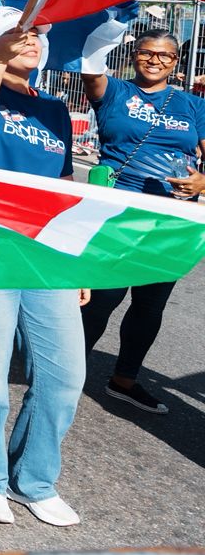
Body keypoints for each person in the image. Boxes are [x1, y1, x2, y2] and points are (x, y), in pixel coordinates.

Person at [0, 7, 85, 527]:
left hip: (45, 257)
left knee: (64, 376)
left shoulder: (54, 108)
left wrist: (74, 262)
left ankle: (34, 480)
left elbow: (65, 187)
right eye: (18, 35)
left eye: (36, 36)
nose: (32, 42)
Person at [79, 28, 205, 415]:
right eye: (147, 52)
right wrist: (110, 24)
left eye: (165, 55)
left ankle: (124, 381)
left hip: (172, 217)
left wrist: (202, 181)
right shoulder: (114, 91)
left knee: (150, 304)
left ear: (176, 62)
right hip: (118, 210)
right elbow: (90, 66)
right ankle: (67, 372)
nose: (155, 60)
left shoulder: (192, 105)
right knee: (103, 297)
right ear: (134, 55)